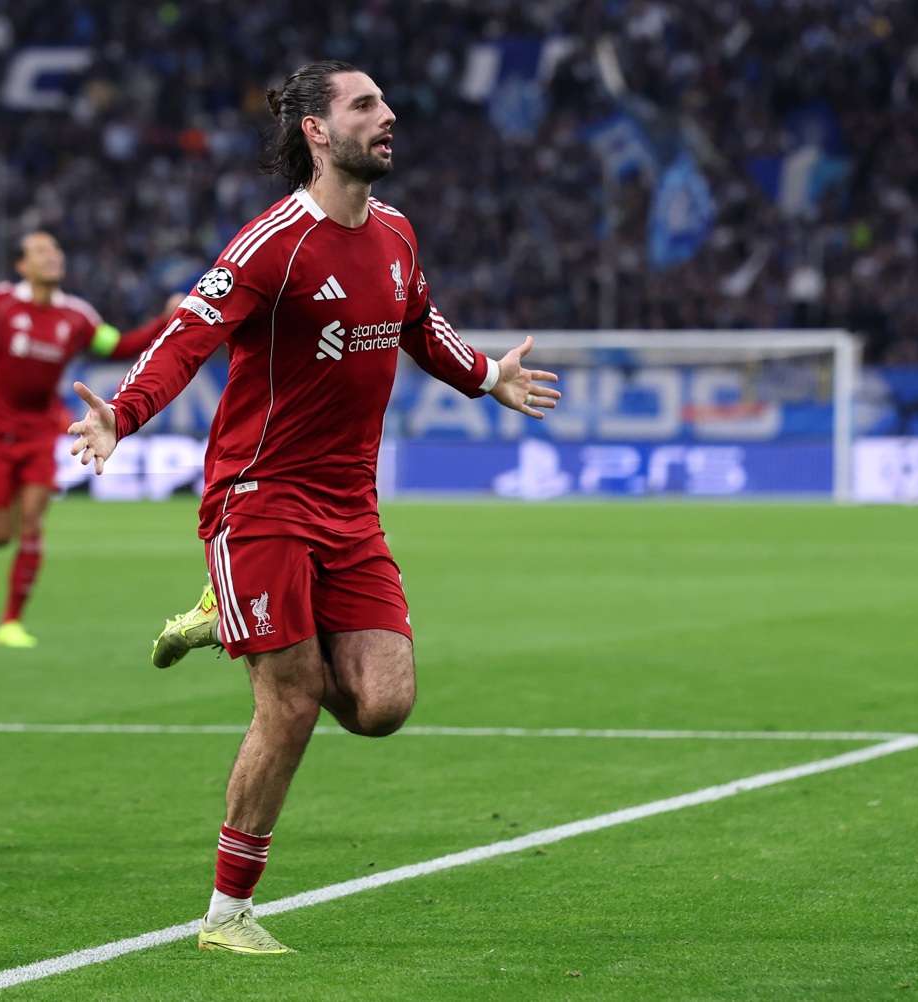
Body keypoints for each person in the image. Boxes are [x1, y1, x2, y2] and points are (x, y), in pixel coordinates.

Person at [69, 61, 560, 953]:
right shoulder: (271, 244)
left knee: (382, 704)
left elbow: (418, 321)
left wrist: (486, 376)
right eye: (365, 105)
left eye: (384, 103)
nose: (389, 115)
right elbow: (189, 335)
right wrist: (124, 415)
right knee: (289, 703)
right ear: (316, 132)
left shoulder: (398, 234)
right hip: (258, 500)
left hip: (349, 507)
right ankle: (227, 914)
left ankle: (238, 622)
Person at [0, 231, 180, 648]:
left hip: (39, 431)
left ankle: (10, 621)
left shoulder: (77, 317)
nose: (53, 256)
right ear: (22, 265)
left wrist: (165, 320)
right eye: (41, 251)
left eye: (56, 249)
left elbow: (121, 346)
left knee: (32, 522)